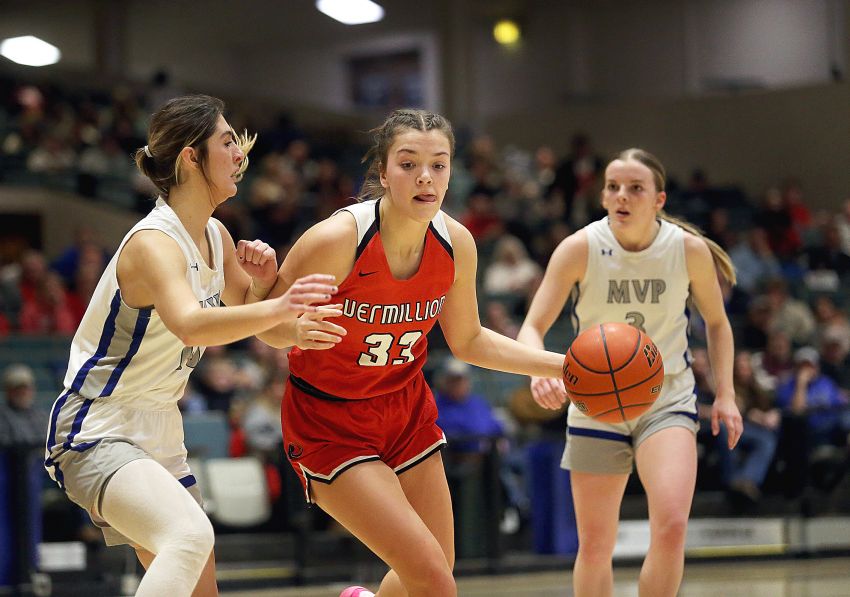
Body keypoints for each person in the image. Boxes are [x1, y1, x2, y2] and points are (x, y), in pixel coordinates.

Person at [255, 108, 565, 597]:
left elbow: (469, 341)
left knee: (436, 568)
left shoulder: (456, 242)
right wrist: (294, 331)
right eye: (408, 163)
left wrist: (563, 365)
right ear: (382, 173)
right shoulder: (336, 240)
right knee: (434, 580)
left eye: (439, 165)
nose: (426, 177)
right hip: (330, 419)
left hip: (406, 410)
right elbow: (267, 325)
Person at [43, 94, 338, 597]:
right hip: (98, 422)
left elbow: (263, 327)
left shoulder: (217, 236)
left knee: (199, 587)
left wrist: (289, 315)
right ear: (189, 157)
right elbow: (192, 325)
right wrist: (280, 307)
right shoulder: (153, 242)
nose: (240, 156)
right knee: (189, 535)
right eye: (226, 143)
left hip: (159, 425)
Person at [517, 148, 743, 597]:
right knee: (596, 545)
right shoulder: (580, 247)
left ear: (659, 200)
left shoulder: (687, 250)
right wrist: (537, 371)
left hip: (667, 399)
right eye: (613, 187)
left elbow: (717, 323)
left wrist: (727, 394)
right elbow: (532, 326)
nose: (622, 196)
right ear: (602, 195)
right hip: (596, 403)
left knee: (673, 526)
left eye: (635, 188)